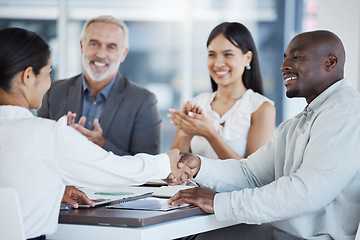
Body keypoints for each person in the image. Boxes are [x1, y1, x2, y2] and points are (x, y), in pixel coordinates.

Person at [0, 27, 189, 240]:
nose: (48, 83)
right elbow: (114, 170)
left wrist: (53, 189)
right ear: (27, 76)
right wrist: (166, 162)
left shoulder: (142, 99)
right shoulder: (48, 135)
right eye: (48, 73)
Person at [169, 30, 360, 239]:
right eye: (285, 58)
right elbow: (252, 173)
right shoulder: (298, 123)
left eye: (296, 57)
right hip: (279, 232)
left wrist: (219, 202)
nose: (284, 66)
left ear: (330, 62)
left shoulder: (345, 110)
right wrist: (200, 166)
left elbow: (307, 192)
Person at [37, 15, 161, 156]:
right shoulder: (53, 92)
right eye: (94, 44)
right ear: (82, 47)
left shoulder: (143, 101)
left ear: (123, 54)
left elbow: (149, 165)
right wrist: (60, 139)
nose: (101, 54)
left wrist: (101, 145)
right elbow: (39, 149)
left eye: (111, 47)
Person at [169, 22, 275, 160]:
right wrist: (184, 133)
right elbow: (174, 168)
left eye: (228, 54)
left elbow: (255, 176)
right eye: (212, 55)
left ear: (247, 58)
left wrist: (211, 135)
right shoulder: (197, 103)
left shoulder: (261, 108)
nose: (218, 63)